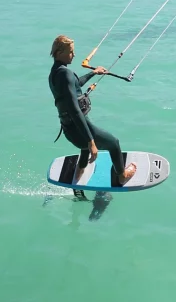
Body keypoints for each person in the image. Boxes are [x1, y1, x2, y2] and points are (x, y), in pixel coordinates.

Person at [49, 35, 136, 194]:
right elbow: (75, 111)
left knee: (84, 150)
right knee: (114, 143)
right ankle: (122, 176)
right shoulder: (65, 74)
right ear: (59, 52)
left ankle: (79, 173)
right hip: (78, 131)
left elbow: (76, 85)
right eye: (70, 52)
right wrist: (91, 141)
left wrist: (93, 73)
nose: (74, 55)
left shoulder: (55, 73)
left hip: (69, 130)